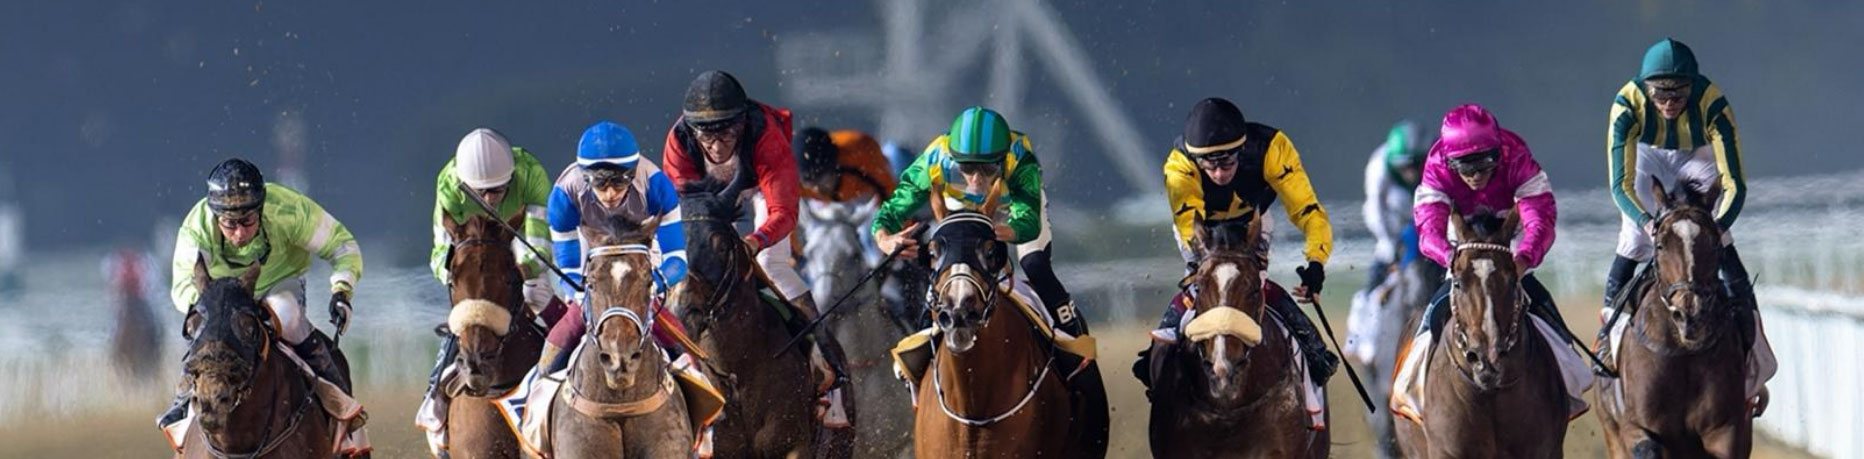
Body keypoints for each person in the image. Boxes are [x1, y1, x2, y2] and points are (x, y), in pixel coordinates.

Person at [660, 70, 852, 428]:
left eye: (726, 133)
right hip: (708, 200)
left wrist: (755, 240)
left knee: (770, 262)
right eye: (707, 135)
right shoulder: (680, 141)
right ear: (692, 130)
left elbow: (784, 212)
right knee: (695, 267)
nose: (717, 146)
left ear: (742, 123)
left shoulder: (765, 136)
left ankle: (827, 363)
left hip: (763, 190)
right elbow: (682, 213)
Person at [1603, 38, 1772, 412]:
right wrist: (1646, 223)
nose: (1668, 101)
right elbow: (1620, 186)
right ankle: (1606, 347)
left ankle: (1754, 359)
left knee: (1717, 239)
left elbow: (1734, 184)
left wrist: (1717, 227)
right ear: (1645, 88)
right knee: (1633, 240)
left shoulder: (1713, 105)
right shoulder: (1626, 106)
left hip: (1696, 155)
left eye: (1678, 92)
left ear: (1692, 87)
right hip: (1645, 155)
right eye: (1659, 93)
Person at [1135, 97, 1339, 388]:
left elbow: (1308, 211)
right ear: (1196, 159)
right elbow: (1189, 222)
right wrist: (1201, 262)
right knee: (1203, 283)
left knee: (1253, 283)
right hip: (1201, 228)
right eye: (1209, 165)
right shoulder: (1180, 162)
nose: (1219, 174)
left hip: (1253, 223)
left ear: (1241, 151)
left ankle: (1313, 349)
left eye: (1227, 163)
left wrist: (1316, 262)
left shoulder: (1273, 148)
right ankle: (1163, 342)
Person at [1407, 104, 1591, 413]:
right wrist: (1451, 258)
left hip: (1509, 235)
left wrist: (1523, 260)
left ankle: (1567, 379)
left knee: (1540, 302)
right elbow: (1428, 228)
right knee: (1434, 310)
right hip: (1462, 239)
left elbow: (1540, 220)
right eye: (1466, 168)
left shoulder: (1516, 156)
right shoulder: (1436, 166)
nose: (1476, 175)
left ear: (1498, 154)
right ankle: (1411, 380)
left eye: (1485, 165)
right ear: (1450, 163)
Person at [158, 158, 366, 431]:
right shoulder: (197, 227)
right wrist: (213, 309)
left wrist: (342, 290)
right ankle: (184, 397)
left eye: (247, 220)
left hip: (279, 283)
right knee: (205, 328)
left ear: (261, 207)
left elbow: (342, 246)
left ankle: (336, 393)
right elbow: (183, 284)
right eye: (229, 224)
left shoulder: (288, 210)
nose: (239, 233)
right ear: (215, 216)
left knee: (288, 317)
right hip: (222, 295)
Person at [871, 106, 1089, 337]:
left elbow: (1028, 221)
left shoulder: (1020, 159)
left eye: (987, 168)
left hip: (1011, 208)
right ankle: (925, 336)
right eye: (966, 168)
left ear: (1002, 160)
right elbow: (892, 209)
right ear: (953, 158)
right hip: (960, 207)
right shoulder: (934, 159)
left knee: (1035, 265)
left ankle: (1072, 332)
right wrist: (884, 238)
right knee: (944, 267)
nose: (976, 180)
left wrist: (1004, 231)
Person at [416, 128, 558, 445]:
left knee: (536, 291)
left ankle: (568, 360)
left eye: (498, 190)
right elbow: (440, 253)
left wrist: (516, 272)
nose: (490, 199)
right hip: (472, 252)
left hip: (518, 243)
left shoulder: (531, 173)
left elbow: (538, 247)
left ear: (511, 178)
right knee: (466, 310)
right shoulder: (449, 182)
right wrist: (464, 277)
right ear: (464, 184)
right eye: (481, 192)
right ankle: (435, 393)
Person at [541, 120, 689, 371]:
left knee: (669, 328)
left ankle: (697, 377)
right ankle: (539, 380)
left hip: (642, 247)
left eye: (619, 182)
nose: (610, 193)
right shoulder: (564, 194)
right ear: (585, 178)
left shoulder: (656, 185)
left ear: (633, 174)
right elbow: (569, 269)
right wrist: (582, 295)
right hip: (592, 247)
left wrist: (650, 286)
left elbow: (677, 261)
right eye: (600, 183)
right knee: (573, 322)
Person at [1364, 121, 1429, 287]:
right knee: (1383, 263)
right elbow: (1374, 208)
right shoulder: (1379, 165)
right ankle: (1371, 292)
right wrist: (1389, 242)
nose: (1411, 172)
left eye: (1415, 164)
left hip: (1428, 220)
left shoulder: (1437, 159)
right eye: (1404, 166)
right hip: (1395, 220)